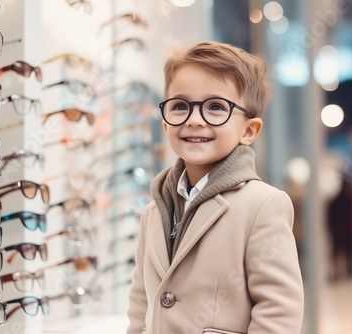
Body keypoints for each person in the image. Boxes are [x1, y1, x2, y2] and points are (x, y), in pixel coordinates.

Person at [126, 41, 304, 334]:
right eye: (180, 106)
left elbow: (279, 312)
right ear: (166, 123)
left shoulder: (263, 205)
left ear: (249, 130)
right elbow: (140, 302)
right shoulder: (153, 211)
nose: (194, 120)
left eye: (216, 107)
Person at [327, 178, 352, 282]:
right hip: (347, 231)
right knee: (347, 253)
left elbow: (330, 218)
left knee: (337, 253)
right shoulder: (350, 201)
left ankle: (337, 274)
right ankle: (347, 272)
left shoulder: (335, 201)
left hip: (338, 231)